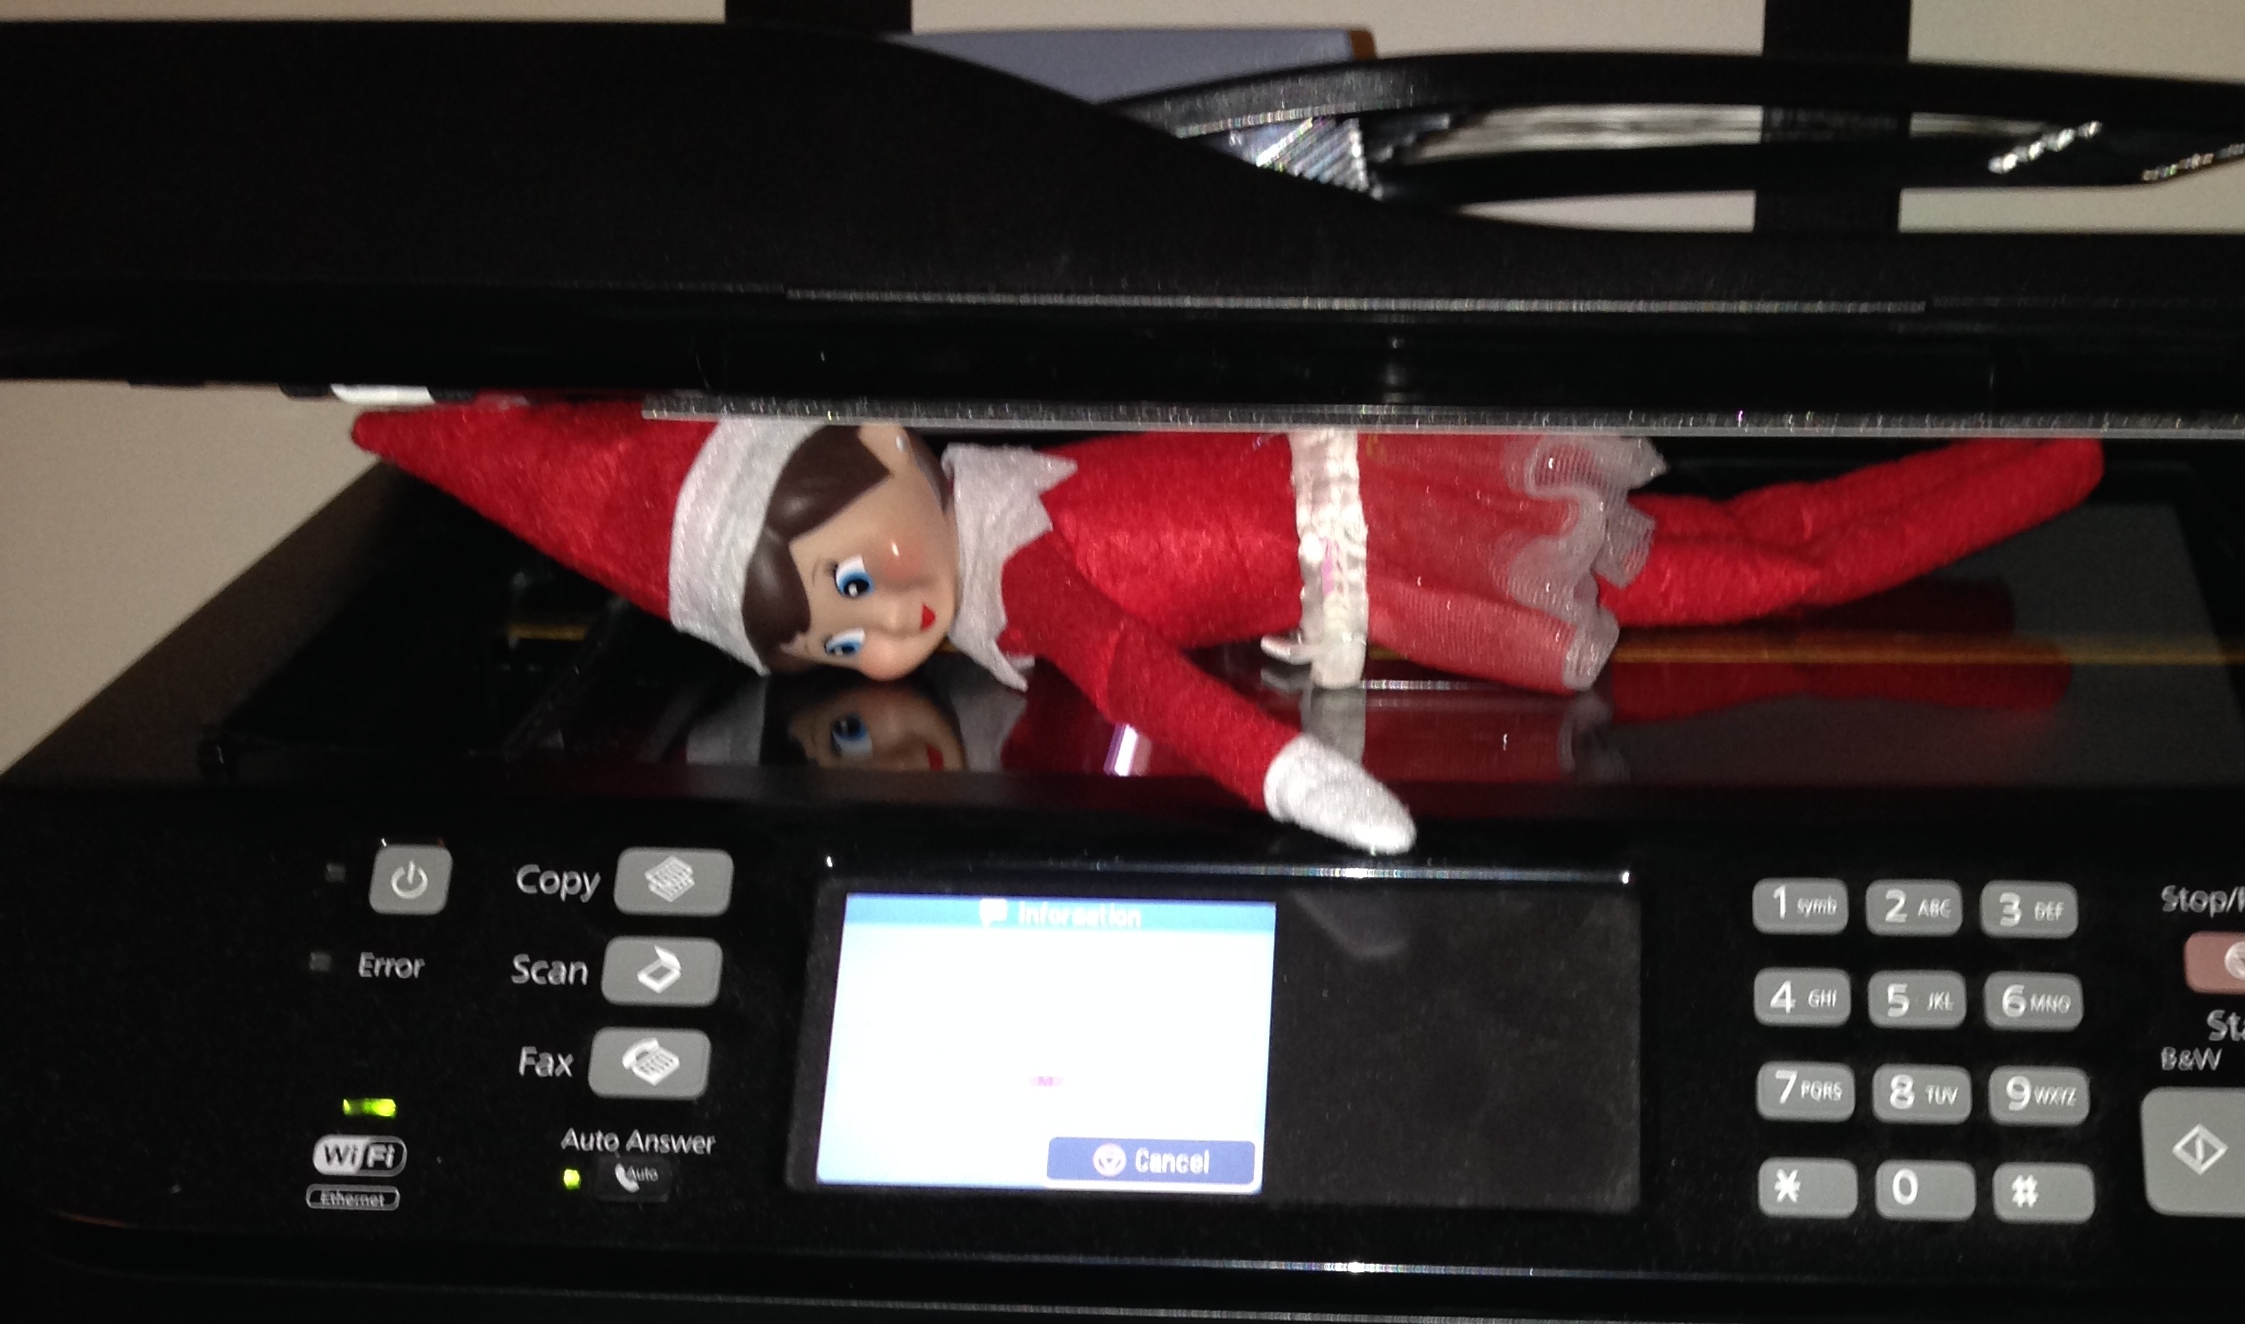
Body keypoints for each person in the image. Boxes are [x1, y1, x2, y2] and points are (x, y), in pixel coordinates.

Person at [353, 401, 2102, 852]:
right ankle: (2050, 454)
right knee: (1750, 557)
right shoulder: (1003, 531)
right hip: (1380, 542)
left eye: (852, 569)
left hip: (1395, 520)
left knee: (1753, 568)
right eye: (836, 635)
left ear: (881, 447)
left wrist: (1297, 783)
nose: (884, 625)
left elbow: (1137, 679)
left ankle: (2053, 452)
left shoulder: (1023, 558)